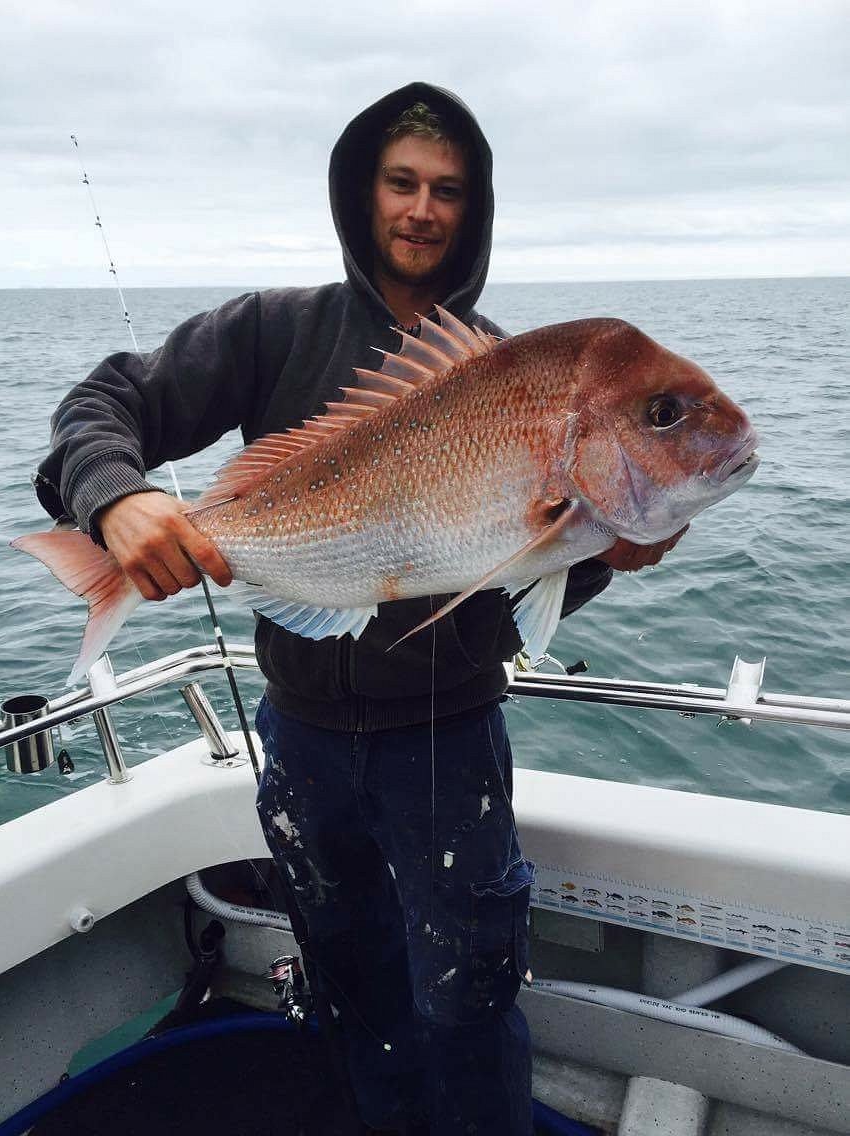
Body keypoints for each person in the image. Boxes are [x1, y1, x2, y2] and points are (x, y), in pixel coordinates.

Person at [35, 83, 683, 1135]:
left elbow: (526, 580)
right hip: (303, 738)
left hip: (448, 740)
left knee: (470, 995)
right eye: (401, 183)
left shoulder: (521, 376)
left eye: (448, 190)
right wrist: (117, 495)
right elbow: (101, 407)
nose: (423, 208)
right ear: (360, 192)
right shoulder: (268, 329)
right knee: (350, 990)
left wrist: (614, 545)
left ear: (474, 211)